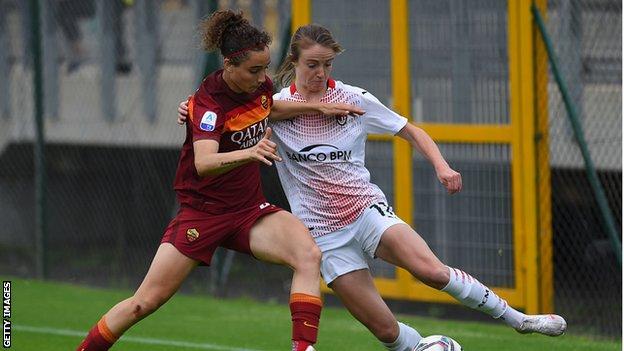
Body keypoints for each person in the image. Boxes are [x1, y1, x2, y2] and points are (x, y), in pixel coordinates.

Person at [178, 23, 567, 351]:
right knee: (385, 331)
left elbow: (410, 130)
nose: (319, 72)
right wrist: (189, 108)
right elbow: (222, 111)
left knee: (431, 272)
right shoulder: (273, 106)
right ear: (292, 63)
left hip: (367, 212)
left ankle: (519, 319)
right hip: (324, 235)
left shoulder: (352, 98)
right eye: (311, 64)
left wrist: (442, 165)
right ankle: (427, 345)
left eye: (327, 64)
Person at [76, 12, 362, 351]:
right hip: (203, 214)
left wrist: (317, 110)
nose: (262, 78)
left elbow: (270, 107)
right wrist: (251, 152)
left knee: (308, 255)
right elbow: (205, 163)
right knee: (144, 302)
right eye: (254, 71)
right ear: (228, 65)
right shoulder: (209, 104)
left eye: (265, 69)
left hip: (248, 211)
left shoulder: (260, 88)